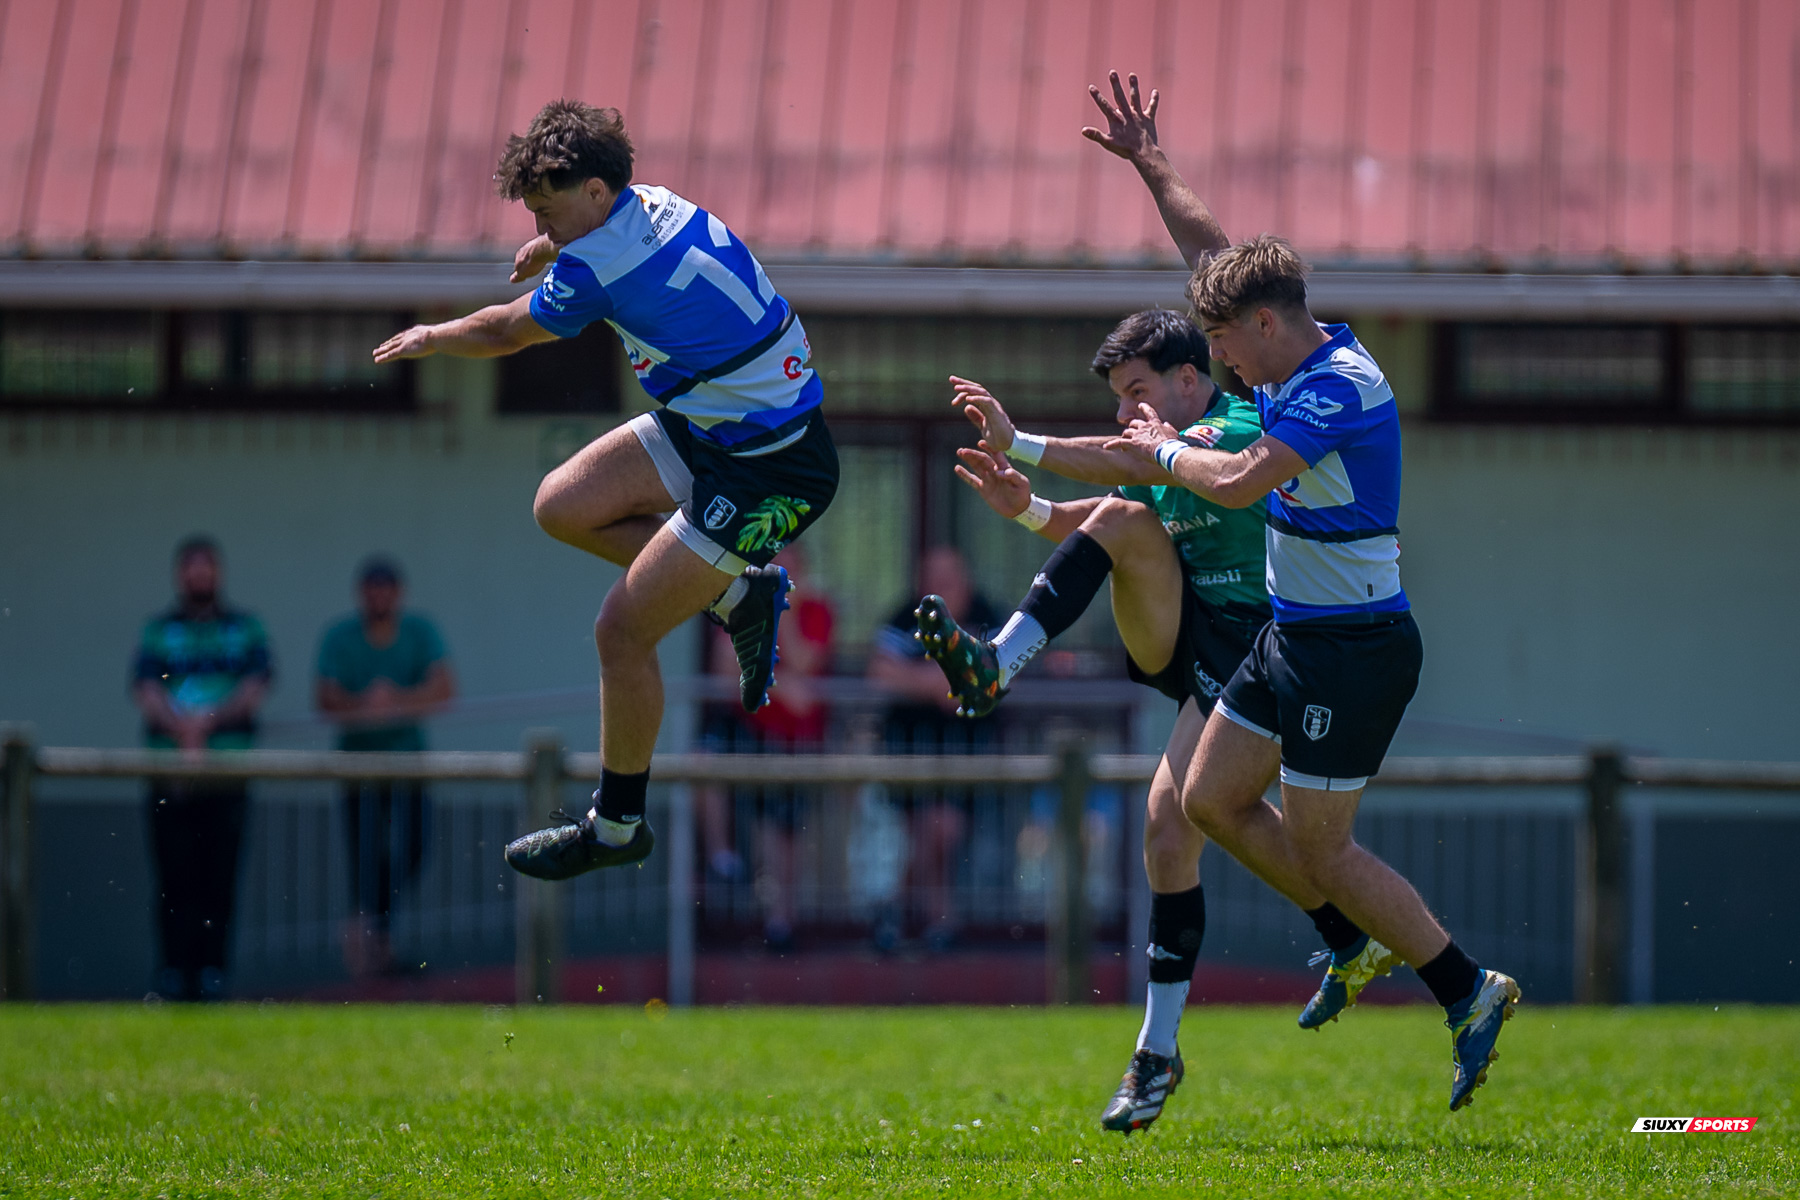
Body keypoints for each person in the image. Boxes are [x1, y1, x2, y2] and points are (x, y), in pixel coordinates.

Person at [1093, 71, 1520, 1113]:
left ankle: (1467, 988)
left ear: (1269, 326)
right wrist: (1153, 164)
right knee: (1206, 800)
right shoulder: (1280, 350)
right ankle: (1349, 944)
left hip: (1355, 649)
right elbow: (1210, 255)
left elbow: (1236, 478)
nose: (1216, 359)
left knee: (1321, 843)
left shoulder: (1336, 388)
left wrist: (1161, 451)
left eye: (1225, 342)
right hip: (1293, 636)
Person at [922, 309, 1385, 1134]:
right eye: (1118, 397)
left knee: (1171, 830)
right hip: (1201, 640)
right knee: (1126, 522)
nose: (1125, 409)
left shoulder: (1243, 427)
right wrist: (1028, 509)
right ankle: (997, 663)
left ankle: (1321, 954)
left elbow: (1163, 475)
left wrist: (1024, 440)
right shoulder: (1155, 445)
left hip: (1272, 650)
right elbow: (1105, 520)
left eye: (1137, 389)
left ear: (1188, 376)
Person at [372, 99, 838, 882]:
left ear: (593, 191)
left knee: (620, 632)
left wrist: (432, 335)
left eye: (551, 211)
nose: (547, 227)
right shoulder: (645, 202)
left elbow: (502, 331)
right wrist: (556, 243)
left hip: (771, 466)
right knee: (562, 504)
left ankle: (618, 826)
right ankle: (737, 595)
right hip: (715, 423)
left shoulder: (598, 262)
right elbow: (605, 251)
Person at [131, 536, 272, 1001]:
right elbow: (146, 689)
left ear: (218, 573)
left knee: (219, 878)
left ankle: (214, 974)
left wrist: (207, 725)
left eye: (206, 568)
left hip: (226, 776)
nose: (199, 576)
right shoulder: (158, 631)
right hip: (171, 777)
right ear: (179, 575)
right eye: (191, 568)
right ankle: (173, 974)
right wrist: (182, 731)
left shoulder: (245, 628)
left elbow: (256, 685)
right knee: (174, 879)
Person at [314, 556, 456, 975]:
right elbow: (326, 697)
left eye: (386, 588)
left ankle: (370, 926)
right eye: (371, 589)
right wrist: (365, 705)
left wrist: (394, 701)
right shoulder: (340, 637)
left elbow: (443, 688)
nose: (378, 597)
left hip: (408, 764)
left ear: (398, 593)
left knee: (414, 847)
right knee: (365, 855)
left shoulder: (419, 632)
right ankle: (373, 945)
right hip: (357, 767)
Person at [696, 543, 834, 952]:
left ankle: (780, 924)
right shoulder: (740, 600)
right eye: (774, 568)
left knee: (782, 831)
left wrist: (780, 614)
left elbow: (808, 664)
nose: (780, 575)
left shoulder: (819, 610)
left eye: (788, 569)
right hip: (750, 726)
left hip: (796, 740)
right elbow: (724, 668)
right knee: (702, 761)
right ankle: (722, 858)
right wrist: (782, 680)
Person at [869, 546, 1004, 952]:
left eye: (950, 580)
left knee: (943, 831)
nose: (941, 590)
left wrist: (923, 680)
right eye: (933, 580)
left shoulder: (990, 618)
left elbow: (994, 678)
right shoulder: (901, 617)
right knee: (929, 832)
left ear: (967, 582)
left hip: (973, 754)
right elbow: (880, 673)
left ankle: (897, 907)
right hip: (907, 752)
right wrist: (949, 681)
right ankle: (939, 921)